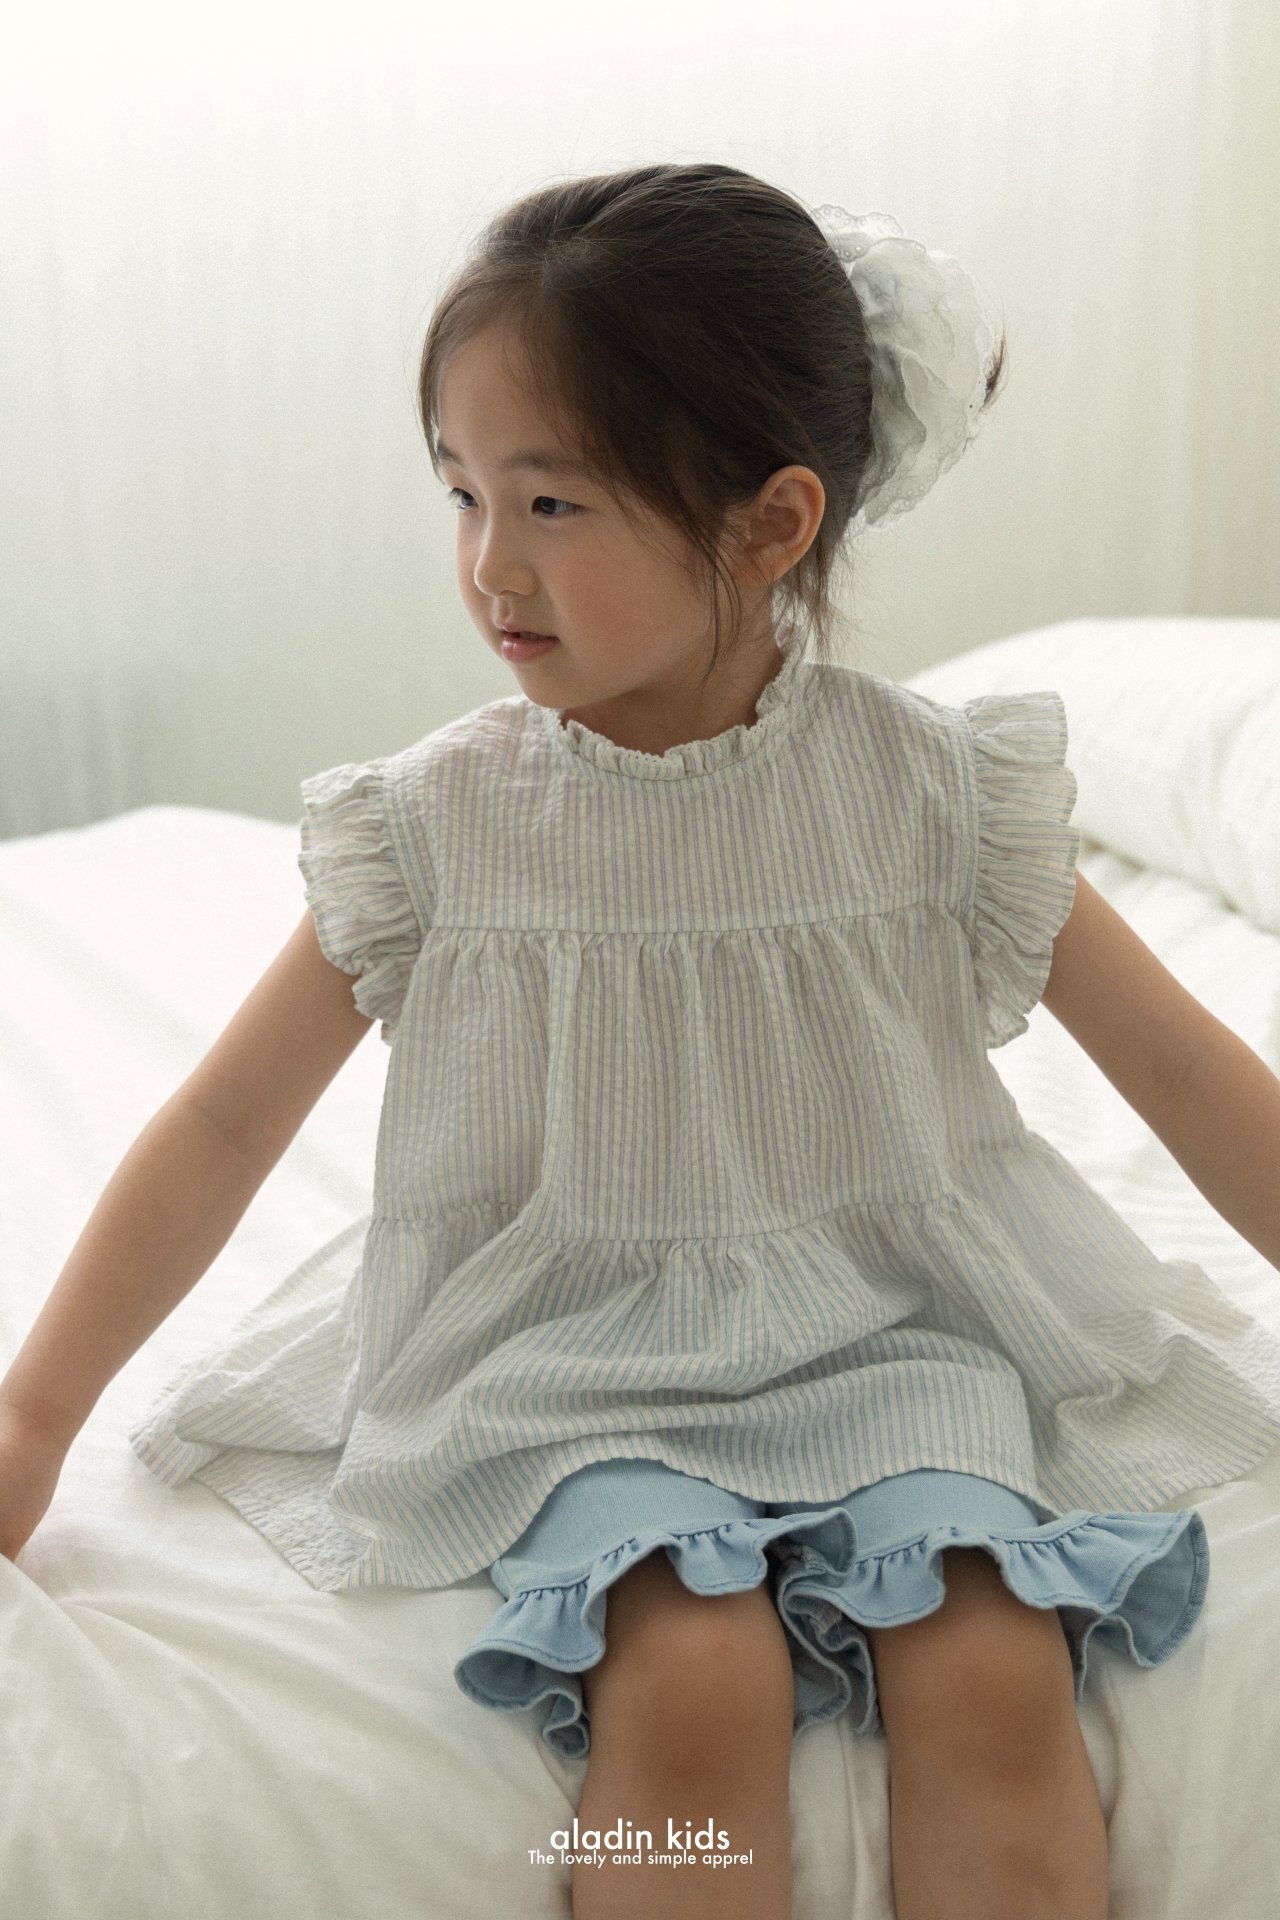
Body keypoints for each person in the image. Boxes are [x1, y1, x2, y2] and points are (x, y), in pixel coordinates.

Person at [3, 161, 1280, 1920]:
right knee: (692, 1682)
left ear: (770, 526)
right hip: (571, 1349)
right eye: (463, 494)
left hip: (897, 1321)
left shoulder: (933, 795)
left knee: (994, 1669)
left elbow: (1189, 1071)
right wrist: (33, 1415)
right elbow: (226, 1125)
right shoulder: (440, 827)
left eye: (553, 502)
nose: (490, 565)